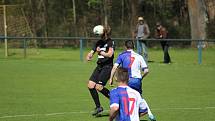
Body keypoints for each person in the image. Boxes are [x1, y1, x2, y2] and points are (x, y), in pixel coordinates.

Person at [109, 40, 156, 121]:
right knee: (139, 98)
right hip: (137, 80)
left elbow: (115, 67)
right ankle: (149, 114)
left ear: (125, 47)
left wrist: (111, 78)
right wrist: (141, 77)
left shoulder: (122, 55)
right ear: (134, 46)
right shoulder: (139, 56)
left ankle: (125, 116)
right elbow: (146, 71)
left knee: (124, 97)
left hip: (125, 80)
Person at [86, 25, 114, 116]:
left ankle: (115, 99)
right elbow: (91, 52)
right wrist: (89, 55)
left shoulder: (110, 42)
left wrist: (100, 52)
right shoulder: (98, 42)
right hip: (99, 66)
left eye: (100, 34)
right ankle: (98, 107)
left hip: (107, 67)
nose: (99, 36)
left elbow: (110, 55)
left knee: (98, 87)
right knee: (90, 85)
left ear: (104, 33)